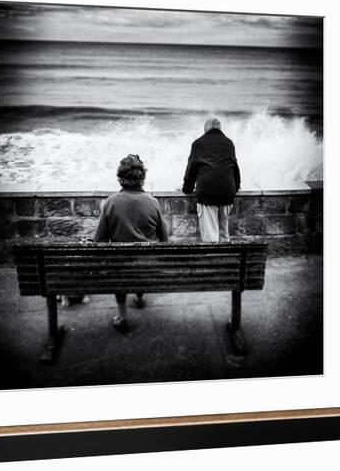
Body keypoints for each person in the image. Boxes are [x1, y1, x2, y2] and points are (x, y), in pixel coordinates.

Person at [94, 154, 169, 332]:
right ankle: (140, 297)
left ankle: (123, 316)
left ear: (120, 178)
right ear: (142, 177)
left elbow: (99, 240)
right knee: (141, 258)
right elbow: (164, 238)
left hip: (120, 268)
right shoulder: (153, 202)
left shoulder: (111, 203)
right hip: (147, 267)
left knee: (119, 265)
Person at [182, 117, 240, 242]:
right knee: (224, 234)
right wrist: (236, 186)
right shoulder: (229, 143)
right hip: (227, 191)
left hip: (207, 192)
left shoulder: (198, 143)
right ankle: (227, 258)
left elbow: (191, 168)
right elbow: (235, 167)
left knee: (210, 237)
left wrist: (187, 188)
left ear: (206, 128)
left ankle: (214, 259)